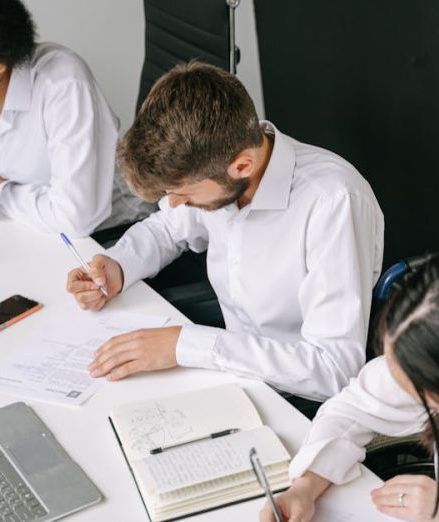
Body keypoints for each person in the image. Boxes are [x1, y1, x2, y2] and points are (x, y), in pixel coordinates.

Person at [66, 61, 384, 413]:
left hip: (301, 401)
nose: (173, 203)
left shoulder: (332, 203)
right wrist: (118, 265)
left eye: (183, 193)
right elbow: (168, 228)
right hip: (230, 370)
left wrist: (184, 346)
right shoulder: (219, 168)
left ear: (242, 166)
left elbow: (333, 370)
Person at [260, 249, 439, 522]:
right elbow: (350, 411)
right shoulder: (427, 360)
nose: (394, 384)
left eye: (421, 392)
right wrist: (305, 487)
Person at [0, 0, 153, 237]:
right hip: (33, 227)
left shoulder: (63, 84)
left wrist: (4, 191)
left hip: (116, 233)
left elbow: (74, 218)